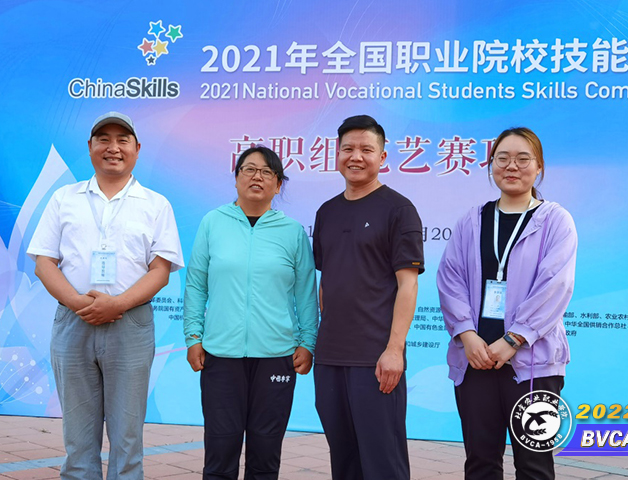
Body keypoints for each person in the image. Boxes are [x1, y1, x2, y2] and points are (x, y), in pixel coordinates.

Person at [27, 112, 184, 480]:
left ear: (137, 149)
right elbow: (44, 263)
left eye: (122, 140)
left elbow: (160, 270)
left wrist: (117, 304)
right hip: (73, 321)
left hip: (131, 323)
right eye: (104, 139)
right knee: (77, 434)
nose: (113, 148)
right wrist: (78, 303)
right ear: (90, 147)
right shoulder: (64, 198)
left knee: (127, 434)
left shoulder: (155, 204)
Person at [437, 127, 577, 480]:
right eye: (502, 158)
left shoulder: (555, 221)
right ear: (491, 165)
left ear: (539, 167)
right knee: (481, 462)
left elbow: (555, 285)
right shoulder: (472, 220)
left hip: (533, 365)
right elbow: (450, 278)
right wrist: (467, 335)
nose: (511, 166)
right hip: (477, 360)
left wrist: (514, 338)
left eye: (522, 158)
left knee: (534, 466)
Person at [183, 146, 318, 480]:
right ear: (236, 178)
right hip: (221, 353)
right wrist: (193, 336)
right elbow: (196, 285)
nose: (257, 177)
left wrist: (308, 343)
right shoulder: (213, 223)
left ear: (278, 184)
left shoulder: (292, 232)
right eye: (249, 169)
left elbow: (306, 293)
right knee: (220, 450)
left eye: (267, 172)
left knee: (266, 453)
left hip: (277, 355)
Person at [312, 115, 424, 480]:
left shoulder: (398, 210)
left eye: (366, 149)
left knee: (382, 461)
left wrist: (394, 350)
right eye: (348, 149)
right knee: (343, 458)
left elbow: (408, 285)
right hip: (330, 357)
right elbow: (327, 281)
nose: (356, 157)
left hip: (375, 358)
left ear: (382, 156)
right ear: (337, 154)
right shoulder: (327, 212)